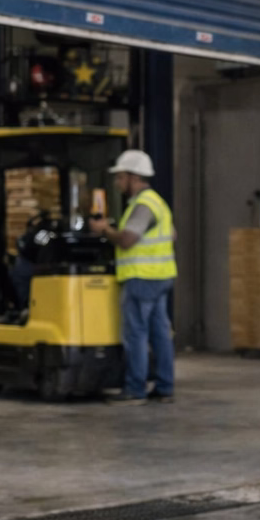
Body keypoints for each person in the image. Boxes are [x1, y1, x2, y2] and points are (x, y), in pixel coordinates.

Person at [91, 149, 177, 405]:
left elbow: (127, 240)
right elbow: (172, 234)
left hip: (142, 277)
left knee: (136, 333)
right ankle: (164, 386)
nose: (118, 183)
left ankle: (135, 389)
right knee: (160, 333)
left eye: (120, 177)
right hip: (161, 276)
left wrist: (104, 230)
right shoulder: (157, 202)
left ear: (133, 177)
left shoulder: (143, 205)